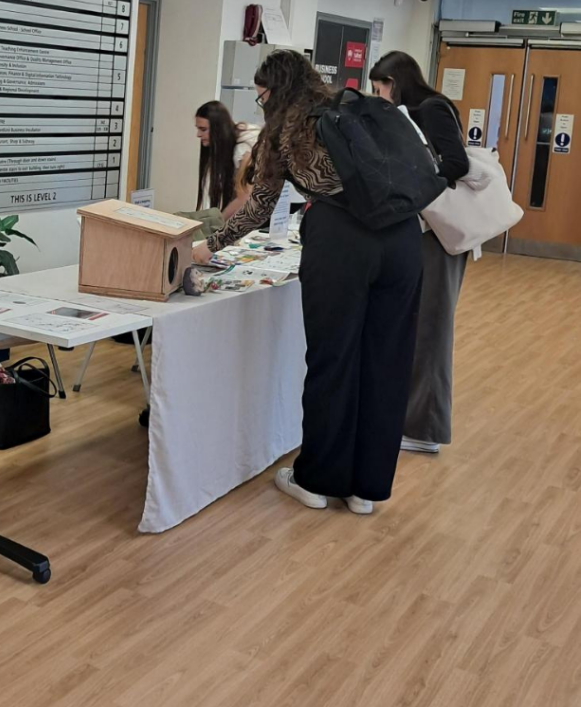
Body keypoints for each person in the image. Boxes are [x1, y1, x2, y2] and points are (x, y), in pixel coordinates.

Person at [192, 49, 423, 516]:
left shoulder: (287, 129)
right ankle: (366, 489)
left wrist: (209, 247)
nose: (261, 106)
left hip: (341, 241)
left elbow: (258, 208)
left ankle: (316, 479)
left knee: (332, 359)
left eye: (261, 97)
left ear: (275, 92)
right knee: (386, 363)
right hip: (403, 239)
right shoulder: (354, 105)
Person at [370, 51, 469, 455]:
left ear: (395, 82)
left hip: (440, 236)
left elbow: (456, 164)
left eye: (380, 88)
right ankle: (412, 420)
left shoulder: (429, 109)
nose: (378, 96)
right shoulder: (420, 110)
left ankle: (425, 429)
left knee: (431, 329)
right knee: (419, 325)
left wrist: (415, 188)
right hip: (427, 234)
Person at [194, 100, 260, 218]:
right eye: (198, 128)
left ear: (218, 129)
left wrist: (218, 225)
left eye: (203, 129)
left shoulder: (242, 149)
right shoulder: (228, 141)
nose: (198, 134)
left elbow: (244, 197)